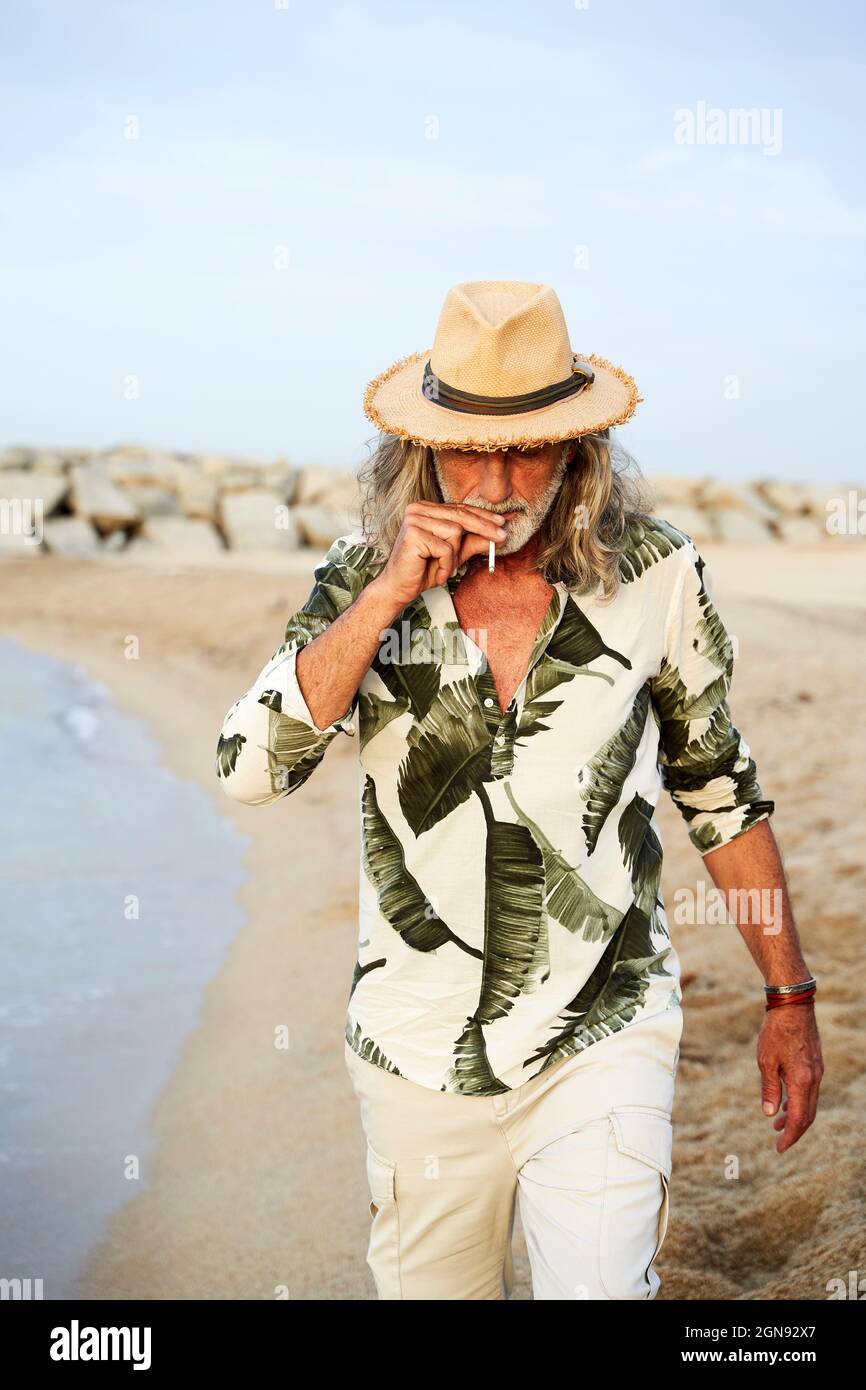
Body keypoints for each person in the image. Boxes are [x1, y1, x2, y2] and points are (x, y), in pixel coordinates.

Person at [215, 280, 823, 1300]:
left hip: (603, 1028)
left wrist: (789, 994)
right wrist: (385, 596)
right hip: (415, 1052)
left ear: (577, 450)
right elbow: (247, 771)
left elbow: (715, 785)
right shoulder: (358, 578)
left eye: (527, 447)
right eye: (470, 447)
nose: (497, 481)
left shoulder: (655, 573)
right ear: (420, 449)